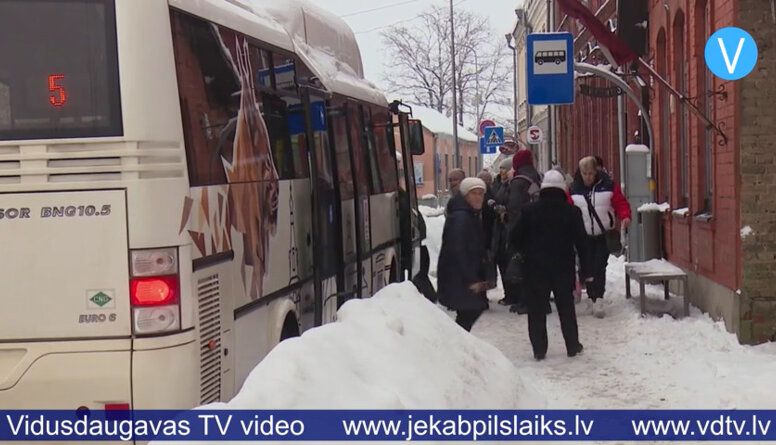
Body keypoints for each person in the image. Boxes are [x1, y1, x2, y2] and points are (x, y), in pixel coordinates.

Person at [512, 170, 590, 359]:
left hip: (535, 268)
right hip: (563, 268)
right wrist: (586, 270)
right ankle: (572, 346)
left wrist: (525, 252)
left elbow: (514, 238)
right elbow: (582, 242)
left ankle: (539, 349)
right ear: (563, 189)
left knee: (537, 310)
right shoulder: (572, 212)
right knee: (566, 308)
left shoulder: (528, 211)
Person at [570, 156, 632, 318]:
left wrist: (625, 216)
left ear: (596, 171)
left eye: (591, 173)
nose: (588, 176)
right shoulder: (573, 189)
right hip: (583, 236)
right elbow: (568, 209)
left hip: (603, 234)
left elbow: (620, 203)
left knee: (599, 266)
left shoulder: (609, 185)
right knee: (587, 268)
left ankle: (598, 298)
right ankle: (591, 297)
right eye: (585, 173)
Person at [438, 178, 492, 332]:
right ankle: (454, 346)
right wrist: (472, 279)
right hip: (460, 277)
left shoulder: (469, 214)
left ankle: (457, 344)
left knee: (469, 313)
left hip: (462, 276)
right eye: (473, 193)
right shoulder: (462, 218)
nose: (478, 197)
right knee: (470, 312)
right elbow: (458, 250)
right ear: (465, 195)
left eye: (481, 194)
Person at [505, 149, 542, 315]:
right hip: (538, 227)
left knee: (522, 266)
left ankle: (525, 301)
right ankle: (539, 301)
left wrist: (512, 231)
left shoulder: (518, 181)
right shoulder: (538, 177)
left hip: (522, 228)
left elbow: (514, 207)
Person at [493, 158, 516, 305]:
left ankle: (513, 294)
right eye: (500, 169)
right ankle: (508, 293)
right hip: (500, 228)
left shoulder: (513, 186)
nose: (502, 172)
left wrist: (505, 210)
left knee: (510, 262)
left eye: (505, 169)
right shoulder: (499, 185)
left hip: (508, 227)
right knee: (502, 261)